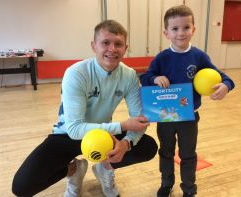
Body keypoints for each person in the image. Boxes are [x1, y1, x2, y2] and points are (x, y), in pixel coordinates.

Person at [12, 20, 158, 197]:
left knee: (148, 147)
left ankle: (105, 168)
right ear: (94, 46)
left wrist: (125, 144)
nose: (112, 49)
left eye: (118, 44)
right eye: (105, 43)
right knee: (22, 187)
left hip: (104, 136)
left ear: (125, 48)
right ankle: (73, 170)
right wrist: (123, 126)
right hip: (67, 135)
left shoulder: (129, 76)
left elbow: (139, 121)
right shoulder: (77, 73)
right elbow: (74, 129)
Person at [140, 5, 235, 197]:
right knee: (166, 152)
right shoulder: (162, 58)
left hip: (189, 117)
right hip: (165, 117)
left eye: (186, 27)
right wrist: (154, 79)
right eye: (175, 29)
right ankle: (166, 184)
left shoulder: (199, 56)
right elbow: (145, 77)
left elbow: (225, 77)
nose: (181, 33)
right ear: (166, 33)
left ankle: (189, 189)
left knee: (188, 155)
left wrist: (226, 85)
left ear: (194, 29)